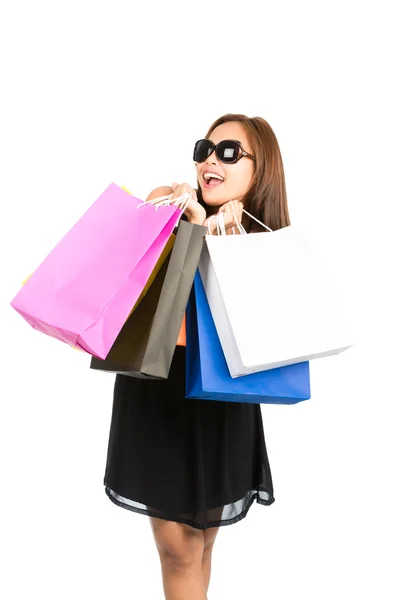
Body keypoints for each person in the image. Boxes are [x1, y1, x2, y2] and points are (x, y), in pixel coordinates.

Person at [103, 113, 291, 600]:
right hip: (159, 389)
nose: (212, 159)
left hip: (224, 392)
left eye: (229, 153)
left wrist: (221, 236)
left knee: (201, 543)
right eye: (206, 148)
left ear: (259, 170)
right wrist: (181, 223)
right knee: (179, 548)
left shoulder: (259, 239)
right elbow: (127, 280)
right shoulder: (166, 204)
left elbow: (259, 329)